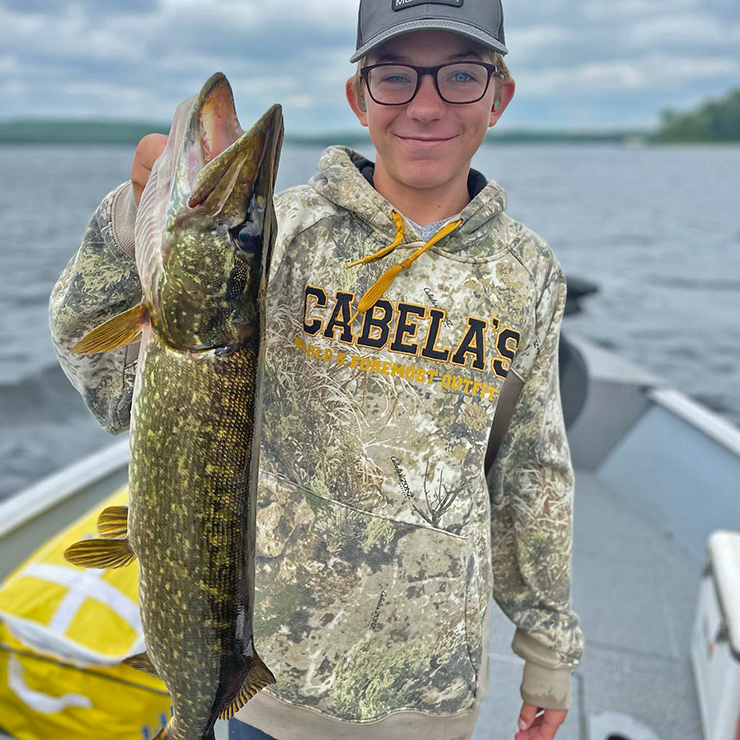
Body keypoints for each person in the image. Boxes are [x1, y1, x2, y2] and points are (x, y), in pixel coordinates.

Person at [49, 0, 584, 738]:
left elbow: (531, 470)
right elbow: (106, 383)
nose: (426, 106)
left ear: (501, 94)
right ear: (358, 97)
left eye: (462, 75)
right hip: (262, 687)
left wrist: (547, 647)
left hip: (428, 700)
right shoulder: (283, 234)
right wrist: (125, 226)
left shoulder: (529, 272)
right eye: (395, 77)